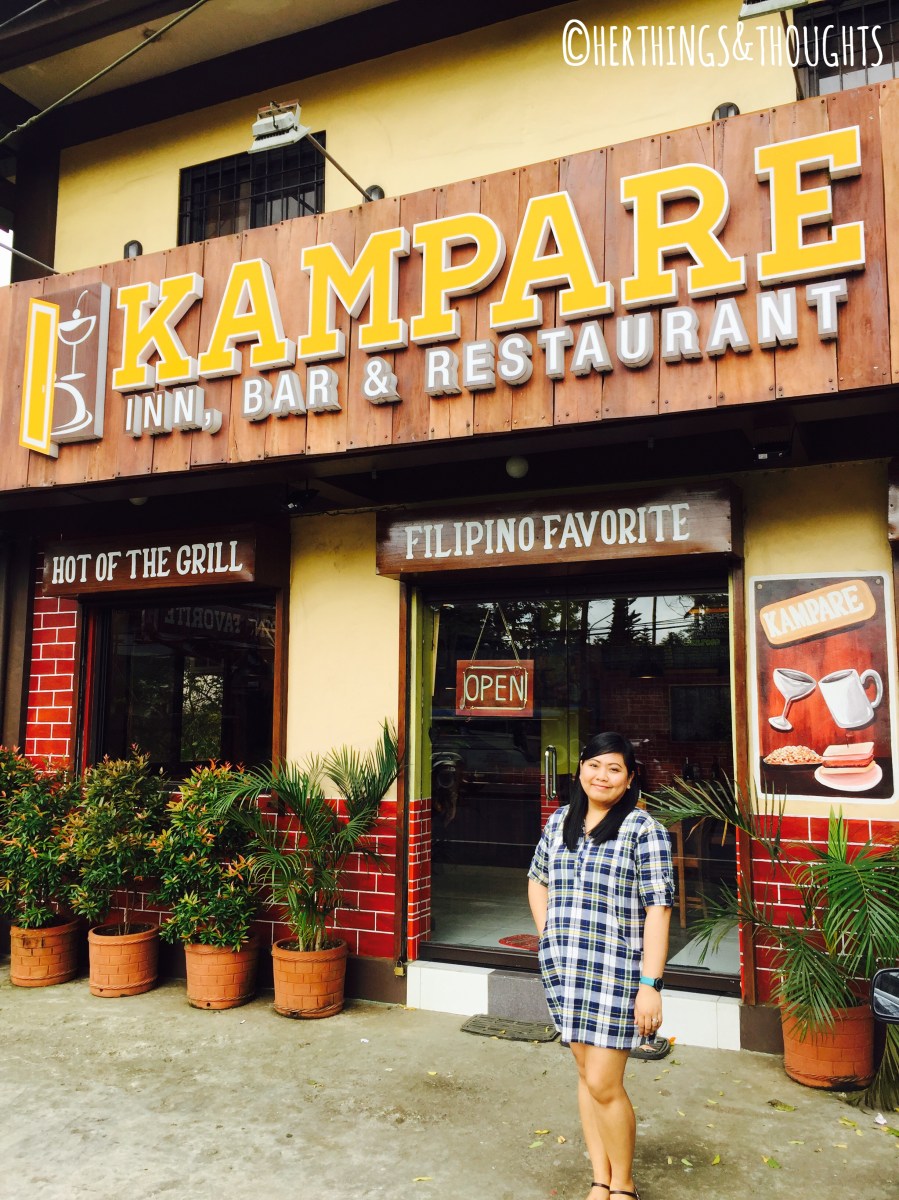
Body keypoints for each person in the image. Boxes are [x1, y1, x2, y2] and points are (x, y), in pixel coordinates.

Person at [528, 732, 673, 1200]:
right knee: (585, 1076)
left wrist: (650, 984)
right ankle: (600, 1178)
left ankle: (624, 1186)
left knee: (603, 1082)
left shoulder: (642, 830)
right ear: (580, 770)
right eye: (594, 765)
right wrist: (548, 935)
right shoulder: (560, 822)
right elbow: (537, 880)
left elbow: (658, 910)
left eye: (614, 769)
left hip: (617, 974)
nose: (602, 776)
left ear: (629, 779)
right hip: (566, 970)